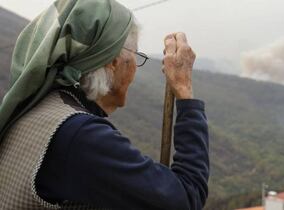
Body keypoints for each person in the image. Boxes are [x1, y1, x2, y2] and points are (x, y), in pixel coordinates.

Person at [0, 0, 209, 209]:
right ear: (114, 62)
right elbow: (187, 198)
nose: (136, 67)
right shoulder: (80, 136)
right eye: (136, 56)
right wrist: (184, 89)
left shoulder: (39, 108)